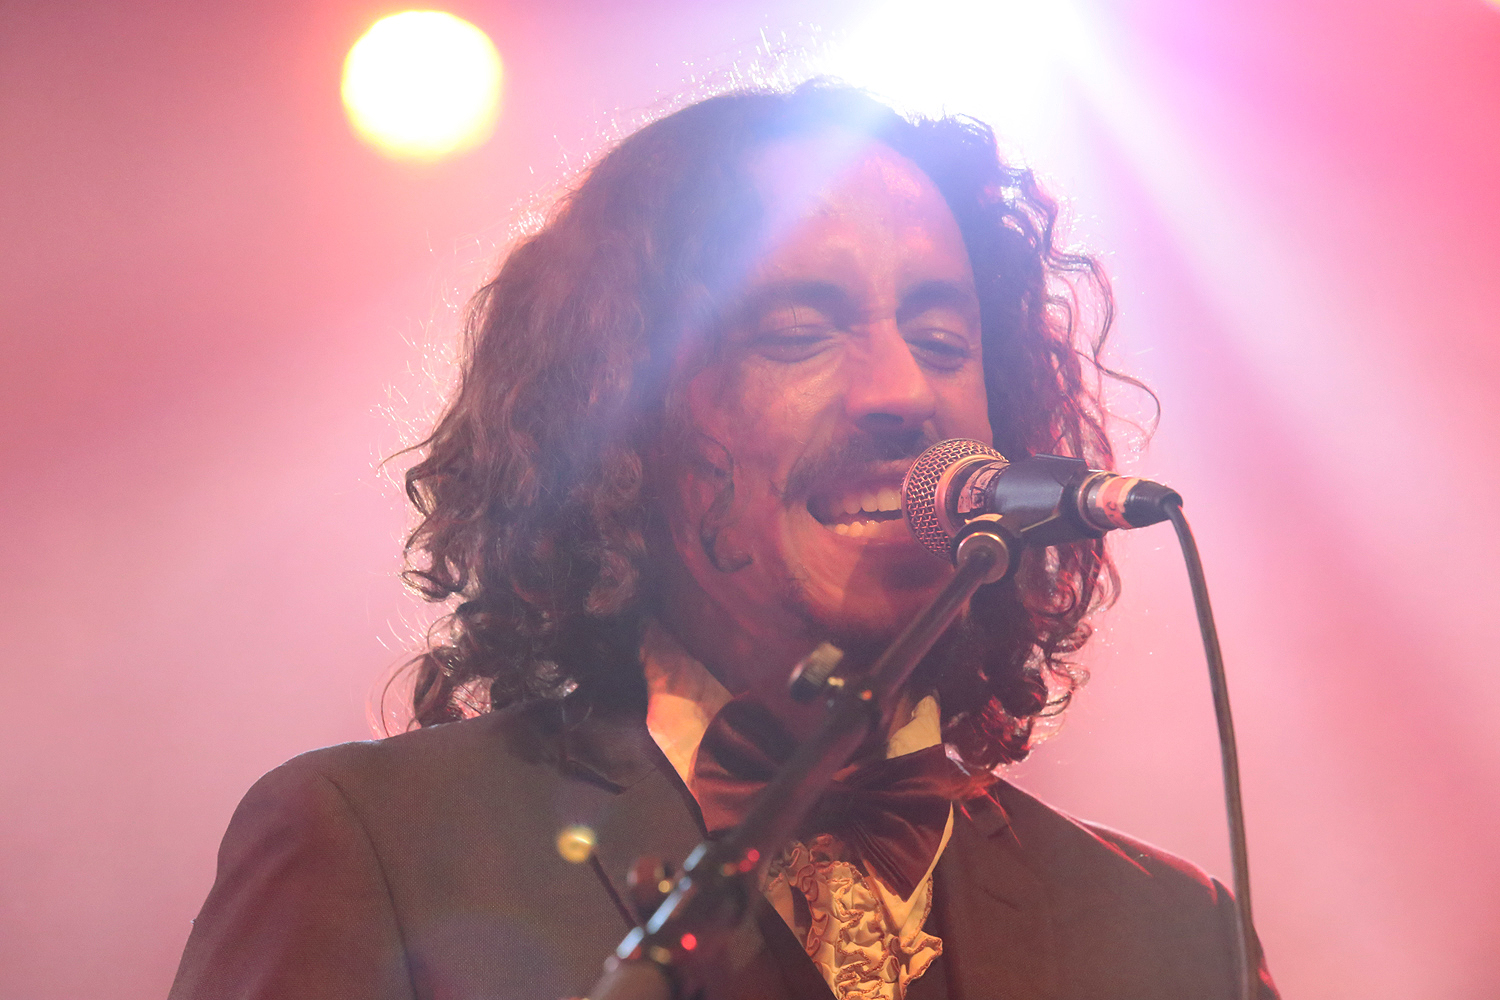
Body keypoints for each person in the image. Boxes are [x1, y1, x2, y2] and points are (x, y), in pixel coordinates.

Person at [169, 83, 1278, 1000]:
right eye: (797, 331)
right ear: (618, 415)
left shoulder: (1174, 935)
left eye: (944, 338)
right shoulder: (382, 845)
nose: (902, 390)